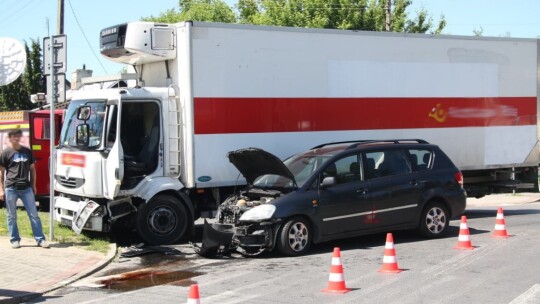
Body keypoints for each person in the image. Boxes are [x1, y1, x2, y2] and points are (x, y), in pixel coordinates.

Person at [0, 129, 49, 248]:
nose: (17, 138)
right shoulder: (5, 153)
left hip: (26, 188)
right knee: (11, 216)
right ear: (10, 138)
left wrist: (33, 185)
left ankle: (40, 239)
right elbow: (1, 172)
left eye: (18, 136)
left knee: (34, 214)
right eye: (14, 136)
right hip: (11, 187)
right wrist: (1, 189)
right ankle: (14, 239)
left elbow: (32, 169)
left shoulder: (27, 151)